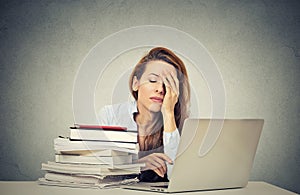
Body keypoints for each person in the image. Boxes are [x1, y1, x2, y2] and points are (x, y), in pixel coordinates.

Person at [98, 47, 190, 182]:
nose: (160, 89)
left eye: (169, 84)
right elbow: (97, 171)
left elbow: (179, 179)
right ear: (136, 83)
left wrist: (168, 114)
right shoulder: (110, 115)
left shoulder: (184, 124)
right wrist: (137, 166)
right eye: (153, 80)